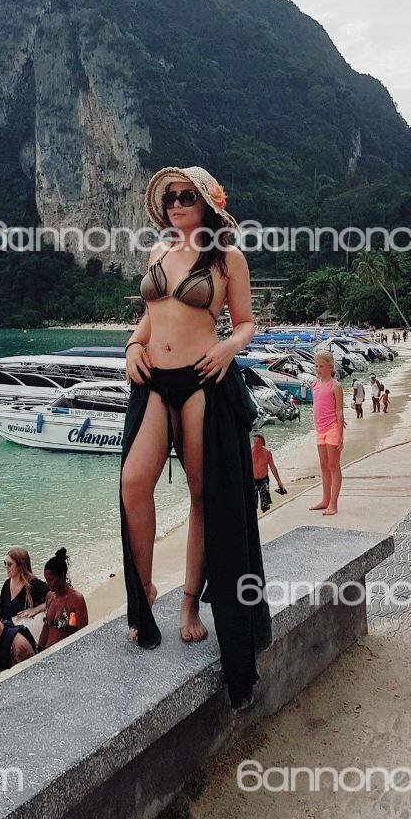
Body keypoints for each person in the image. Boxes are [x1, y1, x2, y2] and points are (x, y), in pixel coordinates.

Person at [121, 166, 270, 708]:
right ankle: (144, 595)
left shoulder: (227, 258)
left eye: (187, 196)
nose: (177, 203)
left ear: (207, 203)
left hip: (204, 381)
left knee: (204, 497)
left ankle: (189, 601)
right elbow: (150, 319)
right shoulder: (158, 252)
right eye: (170, 197)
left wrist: (229, 347)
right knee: (134, 483)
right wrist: (132, 347)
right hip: (154, 382)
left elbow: (246, 322)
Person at [308, 350, 344, 516]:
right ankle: (325, 499)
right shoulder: (315, 385)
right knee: (323, 466)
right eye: (316, 366)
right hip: (320, 429)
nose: (318, 369)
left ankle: (333, 504)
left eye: (321, 366)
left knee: (333, 466)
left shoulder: (335, 386)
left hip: (332, 429)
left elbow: (339, 411)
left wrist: (340, 435)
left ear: (330, 367)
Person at [38, 548, 89, 650]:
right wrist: (39, 648)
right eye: (46, 579)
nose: (48, 583)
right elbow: (46, 628)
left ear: (62, 575)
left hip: (66, 653)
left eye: (51, 579)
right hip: (47, 650)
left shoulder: (76, 600)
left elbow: (83, 633)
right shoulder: (50, 596)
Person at [0, 548, 48, 621]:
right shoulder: (7, 584)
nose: (6, 567)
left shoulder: (33, 584)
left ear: (20, 566)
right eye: (5, 563)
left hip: (24, 627)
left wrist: (35, 610)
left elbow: (54, 598)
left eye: (9, 564)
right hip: (6, 626)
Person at [250, 434, 287, 513]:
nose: (256, 444)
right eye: (254, 442)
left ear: (262, 443)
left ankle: (265, 514)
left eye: (258, 442)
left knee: (265, 504)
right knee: (252, 504)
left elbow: (273, 467)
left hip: (264, 479)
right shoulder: (250, 452)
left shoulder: (267, 453)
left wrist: (279, 481)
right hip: (253, 479)